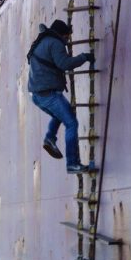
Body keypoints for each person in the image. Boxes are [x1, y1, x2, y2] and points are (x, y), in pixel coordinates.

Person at [27, 19, 95, 173]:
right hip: (48, 93)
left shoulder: (42, 42)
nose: (67, 40)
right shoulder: (56, 43)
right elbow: (65, 64)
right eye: (67, 36)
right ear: (62, 34)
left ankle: (50, 138)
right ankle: (72, 163)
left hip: (37, 95)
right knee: (71, 123)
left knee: (60, 114)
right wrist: (84, 57)